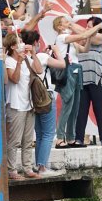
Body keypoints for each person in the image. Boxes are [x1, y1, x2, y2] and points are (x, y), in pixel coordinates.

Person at [52, 16, 102, 149]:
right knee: (67, 106)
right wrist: (98, 27)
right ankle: (59, 137)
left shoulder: (71, 41)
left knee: (75, 107)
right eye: (65, 22)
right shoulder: (62, 38)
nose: (68, 23)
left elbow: (84, 50)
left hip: (76, 71)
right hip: (69, 72)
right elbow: (84, 34)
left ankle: (70, 137)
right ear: (60, 27)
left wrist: (88, 39)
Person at [21, 31, 65, 176]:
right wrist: (57, 51)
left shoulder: (23, 57)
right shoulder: (42, 57)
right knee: (48, 133)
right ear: (35, 43)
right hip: (46, 97)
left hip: (32, 99)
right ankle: (42, 167)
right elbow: (62, 64)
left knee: (39, 133)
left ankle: (39, 164)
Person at [3, 33, 38, 179]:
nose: (22, 43)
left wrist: (33, 54)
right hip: (16, 104)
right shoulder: (9, 61)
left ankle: (28, 168)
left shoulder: (27, 59)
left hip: (29, 104)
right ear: (12, 46)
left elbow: (39, 70)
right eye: (19, 42)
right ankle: (12, 169)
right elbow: (14, 79)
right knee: (15, 140)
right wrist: (18, 62)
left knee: (28, 140)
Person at [72, 17, 102, 148]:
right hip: (82, 78)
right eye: (86, 26)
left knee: (100, 109)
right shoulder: (83, 37)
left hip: (96, 78)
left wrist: (94, 30)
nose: (87, 29)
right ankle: (79, 138)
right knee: (81, 110)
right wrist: (88, 31)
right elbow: (83, 36)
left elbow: (92, 37)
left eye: (89, 26)